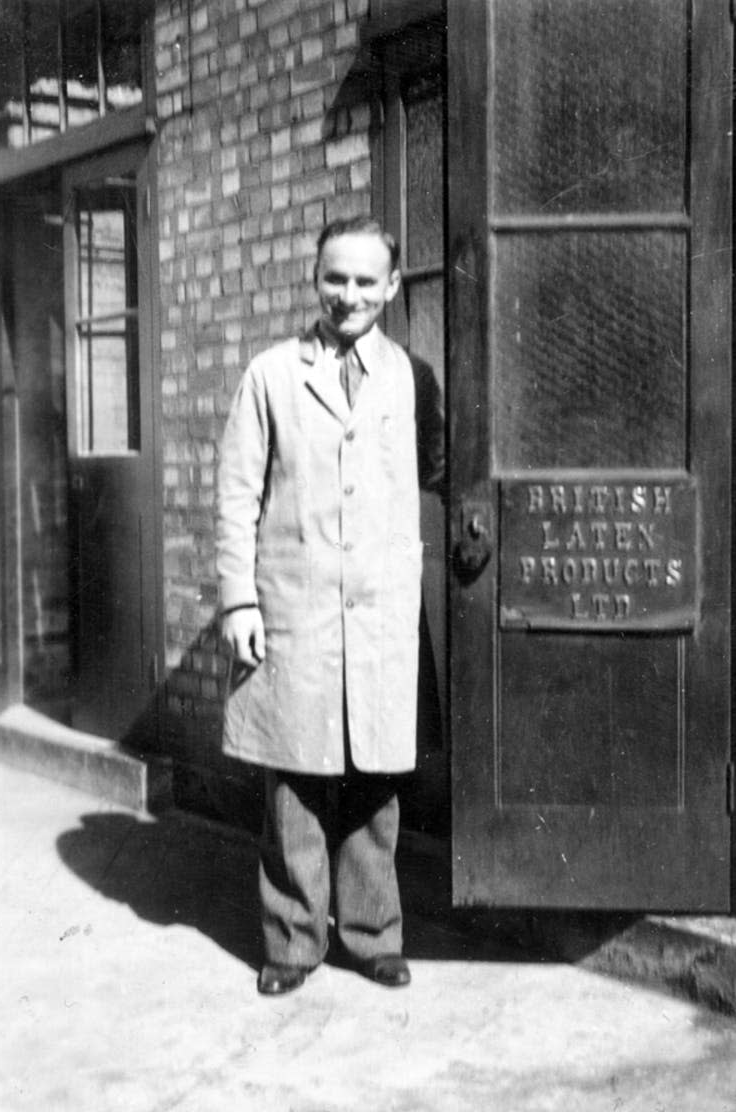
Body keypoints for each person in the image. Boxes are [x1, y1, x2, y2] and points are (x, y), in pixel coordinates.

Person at [216, 216, 444, 996]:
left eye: (364, 281)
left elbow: (444, 474)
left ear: (390, 286)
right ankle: (292, 941)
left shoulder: (413, 379)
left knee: (377, 780)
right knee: (296, 782)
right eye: (334, 279)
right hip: (294, 607)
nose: (349, 295)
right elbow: (236, 496)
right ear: (315, 281)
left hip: (378, 613)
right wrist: (238, 602)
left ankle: (374, 934)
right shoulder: (271, 375)